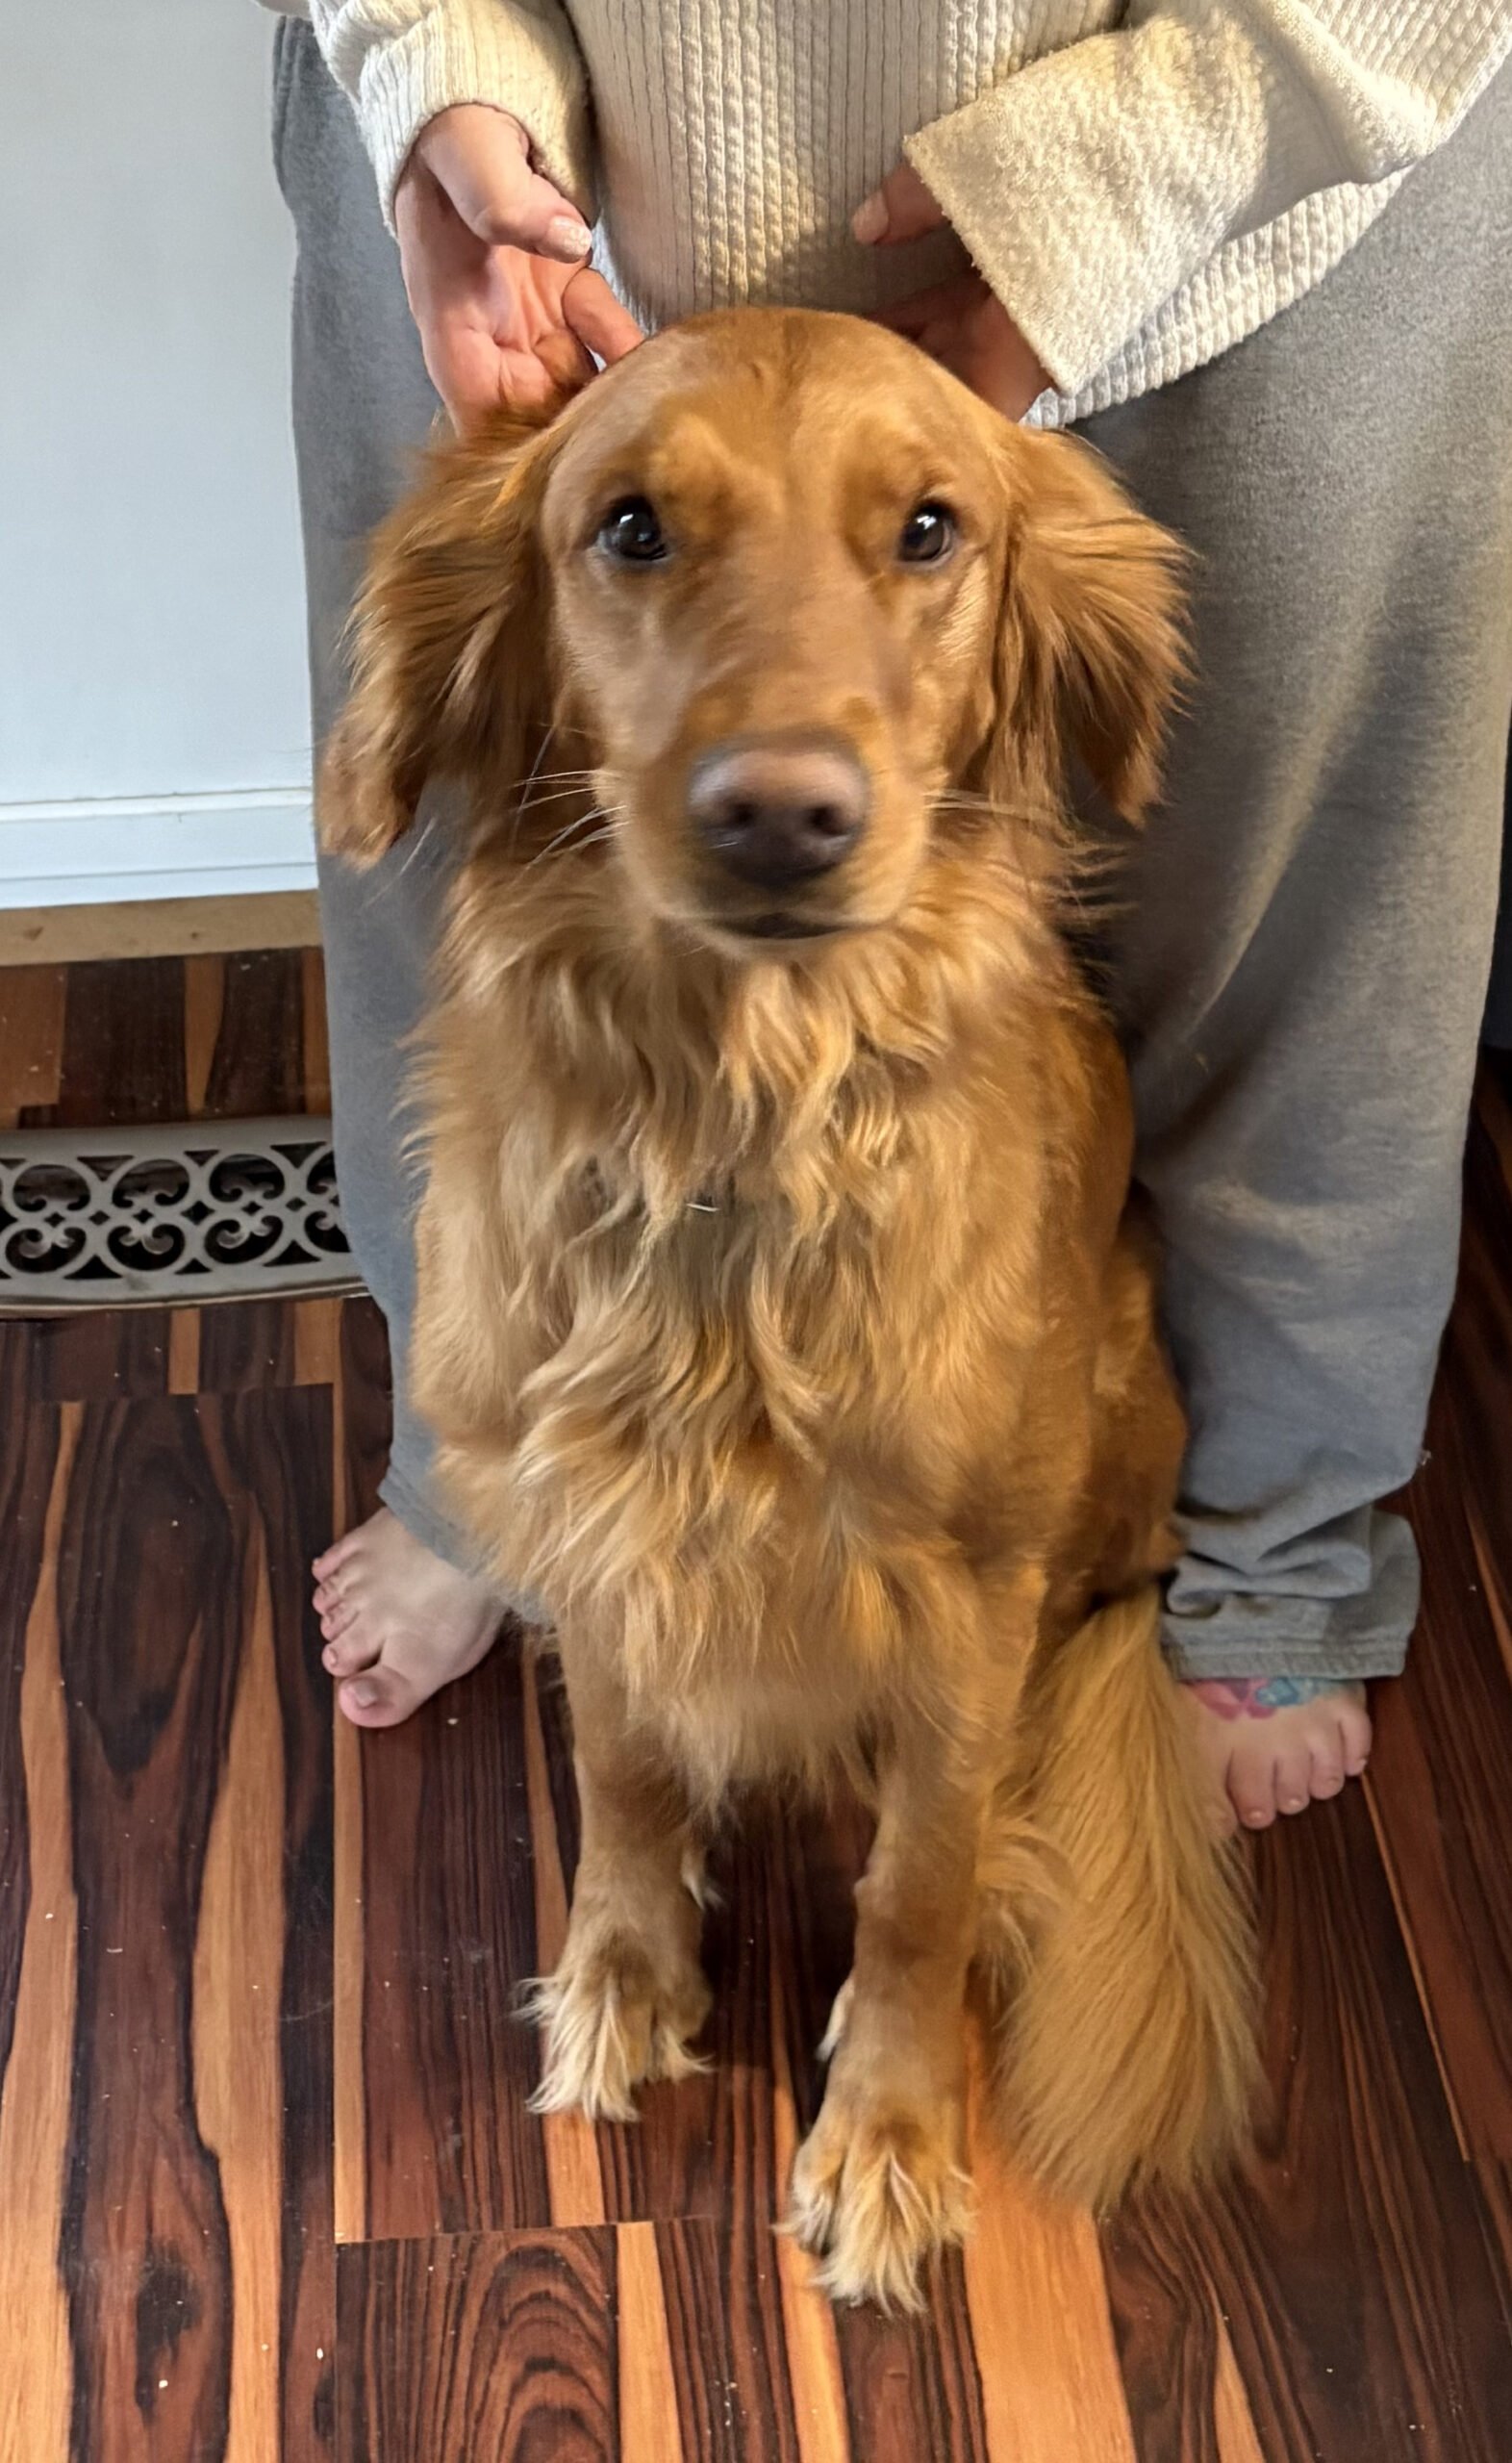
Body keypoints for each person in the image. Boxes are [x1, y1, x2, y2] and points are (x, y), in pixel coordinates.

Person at [267, 0, 1512, 1829]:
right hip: (529, 131)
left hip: (1288, 99)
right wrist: (434, 45)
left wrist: (1163, 147)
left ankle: (1274, 1543)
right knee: (465, 842)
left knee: (1299, 926)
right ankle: (494, 1470)